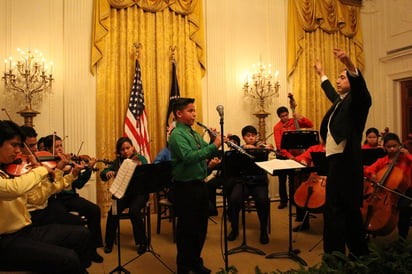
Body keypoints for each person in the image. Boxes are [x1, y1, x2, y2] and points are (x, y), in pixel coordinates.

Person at [0, 120, 92, 273]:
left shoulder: (11, 170)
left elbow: (36, 198)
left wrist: (63, 174)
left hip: (25, 230)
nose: (18, 151)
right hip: (6, 241)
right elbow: (14, 189)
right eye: (14, 145)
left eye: (19, 145)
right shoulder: (11, 177)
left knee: (83, 234)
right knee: (68, 258)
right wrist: (41, 170)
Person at [315, 48, 371, 258]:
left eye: (341, 77)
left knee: (337, 211)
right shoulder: (341, 101)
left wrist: (349, 64)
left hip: (347, 162)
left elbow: (361, 89)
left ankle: (336, 255)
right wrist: (321, 74)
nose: (338, 81)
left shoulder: (359, 102)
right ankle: (356, 253)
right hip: (337, 162)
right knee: (344, 210)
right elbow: (331, 92)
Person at [168, 97, 222, 274]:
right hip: (185, 189)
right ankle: (184, 267)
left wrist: (215, 142)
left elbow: (206, 152)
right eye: (190, 111)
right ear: (178, 113)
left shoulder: (194, 133)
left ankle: (196, 262)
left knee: (200, 228)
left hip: (199, 185)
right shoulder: (177, 135)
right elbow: (189, 157)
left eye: (194, 111)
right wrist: (214, 145)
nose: (194, 114)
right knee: (187, 230)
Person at [43, 134, 104, 263]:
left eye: (61, 145)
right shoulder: (46, 164)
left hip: (69, 197)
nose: (60, 149)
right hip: (54, 199)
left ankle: (93, 248)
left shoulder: (68, 163)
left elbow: (79, 184)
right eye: (56, 146)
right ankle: (73, 249)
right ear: (48, 149)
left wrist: (87, 169)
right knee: (66, 218)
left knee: (94, 210)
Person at [101, 136, 149, 255]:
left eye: (128, 148)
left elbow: (145, 167)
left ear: (132, 147)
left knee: (134, 211)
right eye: (122, 150)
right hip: (124, 194)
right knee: (113, 212)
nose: (126, 151)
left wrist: (139, 165)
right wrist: (108, 172)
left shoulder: (140, 158)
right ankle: (109, 242)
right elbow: (103, 173)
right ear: (119, 152)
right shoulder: (117, 162)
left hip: (139, 194)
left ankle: (142, 242)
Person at [227, 125, 270, 244]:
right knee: (234, 199)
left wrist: (264, 149)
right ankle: (234, 229)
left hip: (259, 182)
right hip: (243, 181)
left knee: (263, 200)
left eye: (253, 135)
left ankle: (263, 231)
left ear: (256, 137)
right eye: (248, 136)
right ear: (244, 137)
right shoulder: (239, 149)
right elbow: (230, 157)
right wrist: (242, 148)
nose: (251, 138)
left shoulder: (262, 148)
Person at [364, 133, 411, 239]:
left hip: (405, 190)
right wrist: (373, 174)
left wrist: (408, 154)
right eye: (389, 147)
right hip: (385, 193)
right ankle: (367, 229)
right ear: (384, 147)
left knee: (404, 209)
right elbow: (369, 169)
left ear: (399, 145)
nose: (392, 149)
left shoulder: (406, 159)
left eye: (395, 146)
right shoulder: (383, 160)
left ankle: (402, 237)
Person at [273, 106, 313, 209]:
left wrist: (301, 118)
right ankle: (283, 201)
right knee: (282, 179)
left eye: (286, 115)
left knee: (293, 179)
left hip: (296, 155)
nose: (285, 118)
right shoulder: (277, 127)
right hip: (283, 155)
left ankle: (293, 199)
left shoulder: (294, 122)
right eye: (283, 116)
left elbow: (310, 124)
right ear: (279, 117)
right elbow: (279, 146)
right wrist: (289, 156)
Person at [292, 140, 326, 232]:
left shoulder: (338, 149)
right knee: (303, 193)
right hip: (315, 179)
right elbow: (301, 157)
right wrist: (303, 160)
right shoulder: (315, 148)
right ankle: (304, 223)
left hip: (332, 180)